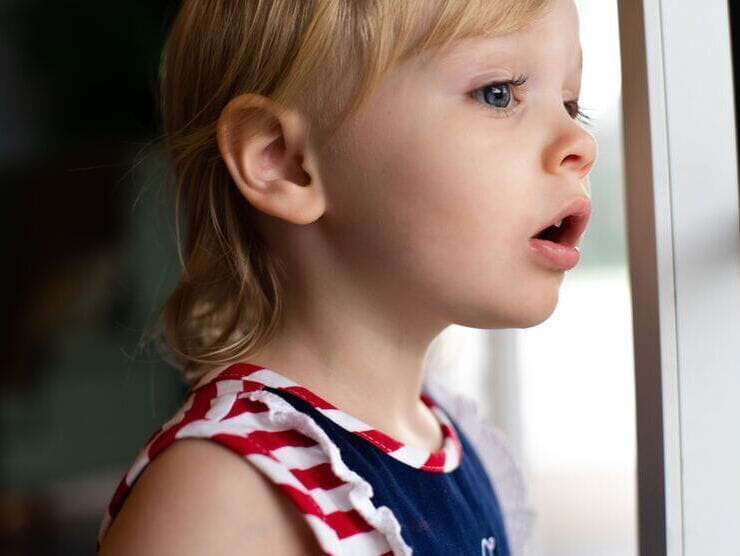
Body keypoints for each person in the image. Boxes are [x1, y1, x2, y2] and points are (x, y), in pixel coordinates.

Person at [97, 0, 597, 553]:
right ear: (286, 161)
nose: (581, 144)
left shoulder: (457, 443)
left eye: (572, 105)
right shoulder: (226, 499)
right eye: (498, 92)